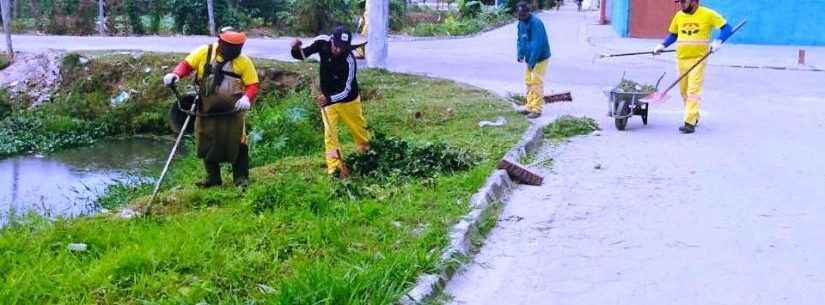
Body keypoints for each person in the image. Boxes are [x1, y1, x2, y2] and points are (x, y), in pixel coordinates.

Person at [163, 27, 260, 187]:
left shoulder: (244, 61)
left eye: (237, 48)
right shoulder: (204, 53)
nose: (233, 51)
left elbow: (253, 84)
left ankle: (241, 179)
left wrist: (247, 98)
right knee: (206, 141)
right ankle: (213, 178)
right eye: (230, 47)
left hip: (233, 112)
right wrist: (175, 74)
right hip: (206, 110)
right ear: (220, 42)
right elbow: (186, 65)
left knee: (239, 143)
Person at [290, 26, 371, 178]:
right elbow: (302, 54)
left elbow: (347, 90)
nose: (338, 50)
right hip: (328, 101)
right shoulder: (322, 42)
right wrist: (295, 48)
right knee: (330, 134)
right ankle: (335, 168)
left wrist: (329, 99)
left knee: (359, 131)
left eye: (342, 48)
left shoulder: (349, 60)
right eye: (336, 46)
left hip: (348, 101)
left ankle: (367, 157)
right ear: (332, 40)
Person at [653, 0, 732, 134]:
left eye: (684, 2)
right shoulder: (679, 15)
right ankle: (694, 115)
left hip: (699, 59)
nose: (682, 5)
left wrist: (718, 41)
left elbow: (727, 28)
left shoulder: (708, 14)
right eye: (680, 2)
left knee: (693, 91)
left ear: (694, 1)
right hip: (682, 58)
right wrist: (663, 45)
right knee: (683, 91)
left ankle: (689, 122)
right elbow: (674, 34)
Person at [515, 2, 551, 119]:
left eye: (523, 14)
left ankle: (537, 109)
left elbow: (538, 45)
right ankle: (529, 106)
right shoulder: (521, 23)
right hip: (529, 58)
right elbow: (520, 40)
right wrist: (520, 54)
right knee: (528, 81)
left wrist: (532, 63)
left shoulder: (536, 23)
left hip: (539, 58)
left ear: (528, 12)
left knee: (536, 82)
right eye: (519, 15)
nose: (521, 17)